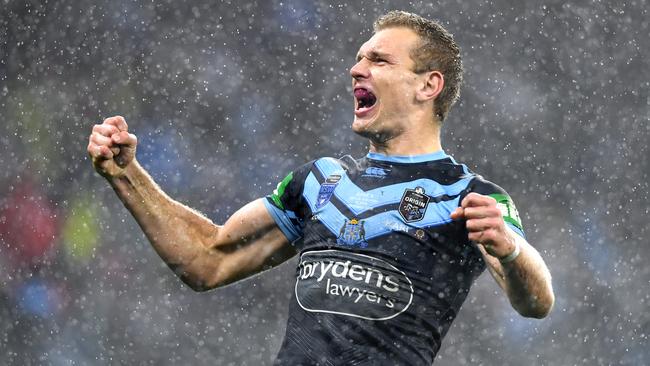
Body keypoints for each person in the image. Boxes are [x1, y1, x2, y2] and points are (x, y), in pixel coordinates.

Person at [87, 10, 554, 366]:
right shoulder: (320, 182)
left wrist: (510, 248)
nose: (356, 69)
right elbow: (207, 259)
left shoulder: (468, 197)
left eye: (378, 59)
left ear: (428, 85)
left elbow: (537, 301)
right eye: (357, 58)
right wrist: (126, 174)